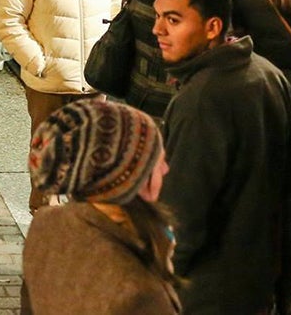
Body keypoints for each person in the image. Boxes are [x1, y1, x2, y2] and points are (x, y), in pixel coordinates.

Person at [153, 0, 291, 315]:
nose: (157, 29)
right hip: (261, 281)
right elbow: (290, 185)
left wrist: (159, 281)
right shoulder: (267, 74)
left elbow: (182, 212)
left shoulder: (202, 99)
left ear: (213, 27)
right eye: (158, 17)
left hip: (208, 291)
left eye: (173, 20)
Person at [0, 0, 125, 209]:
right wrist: (38, 62)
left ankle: (83, 222)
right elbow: (7, 20)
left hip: (92, 80)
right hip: (48, 83)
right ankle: (44, 220)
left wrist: (108, 58)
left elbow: (119, 7)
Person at [20, 100, 179, 315]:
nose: (166, 168)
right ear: (128, 178)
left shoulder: (45, 223)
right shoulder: (141, 293)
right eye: (157, 161)